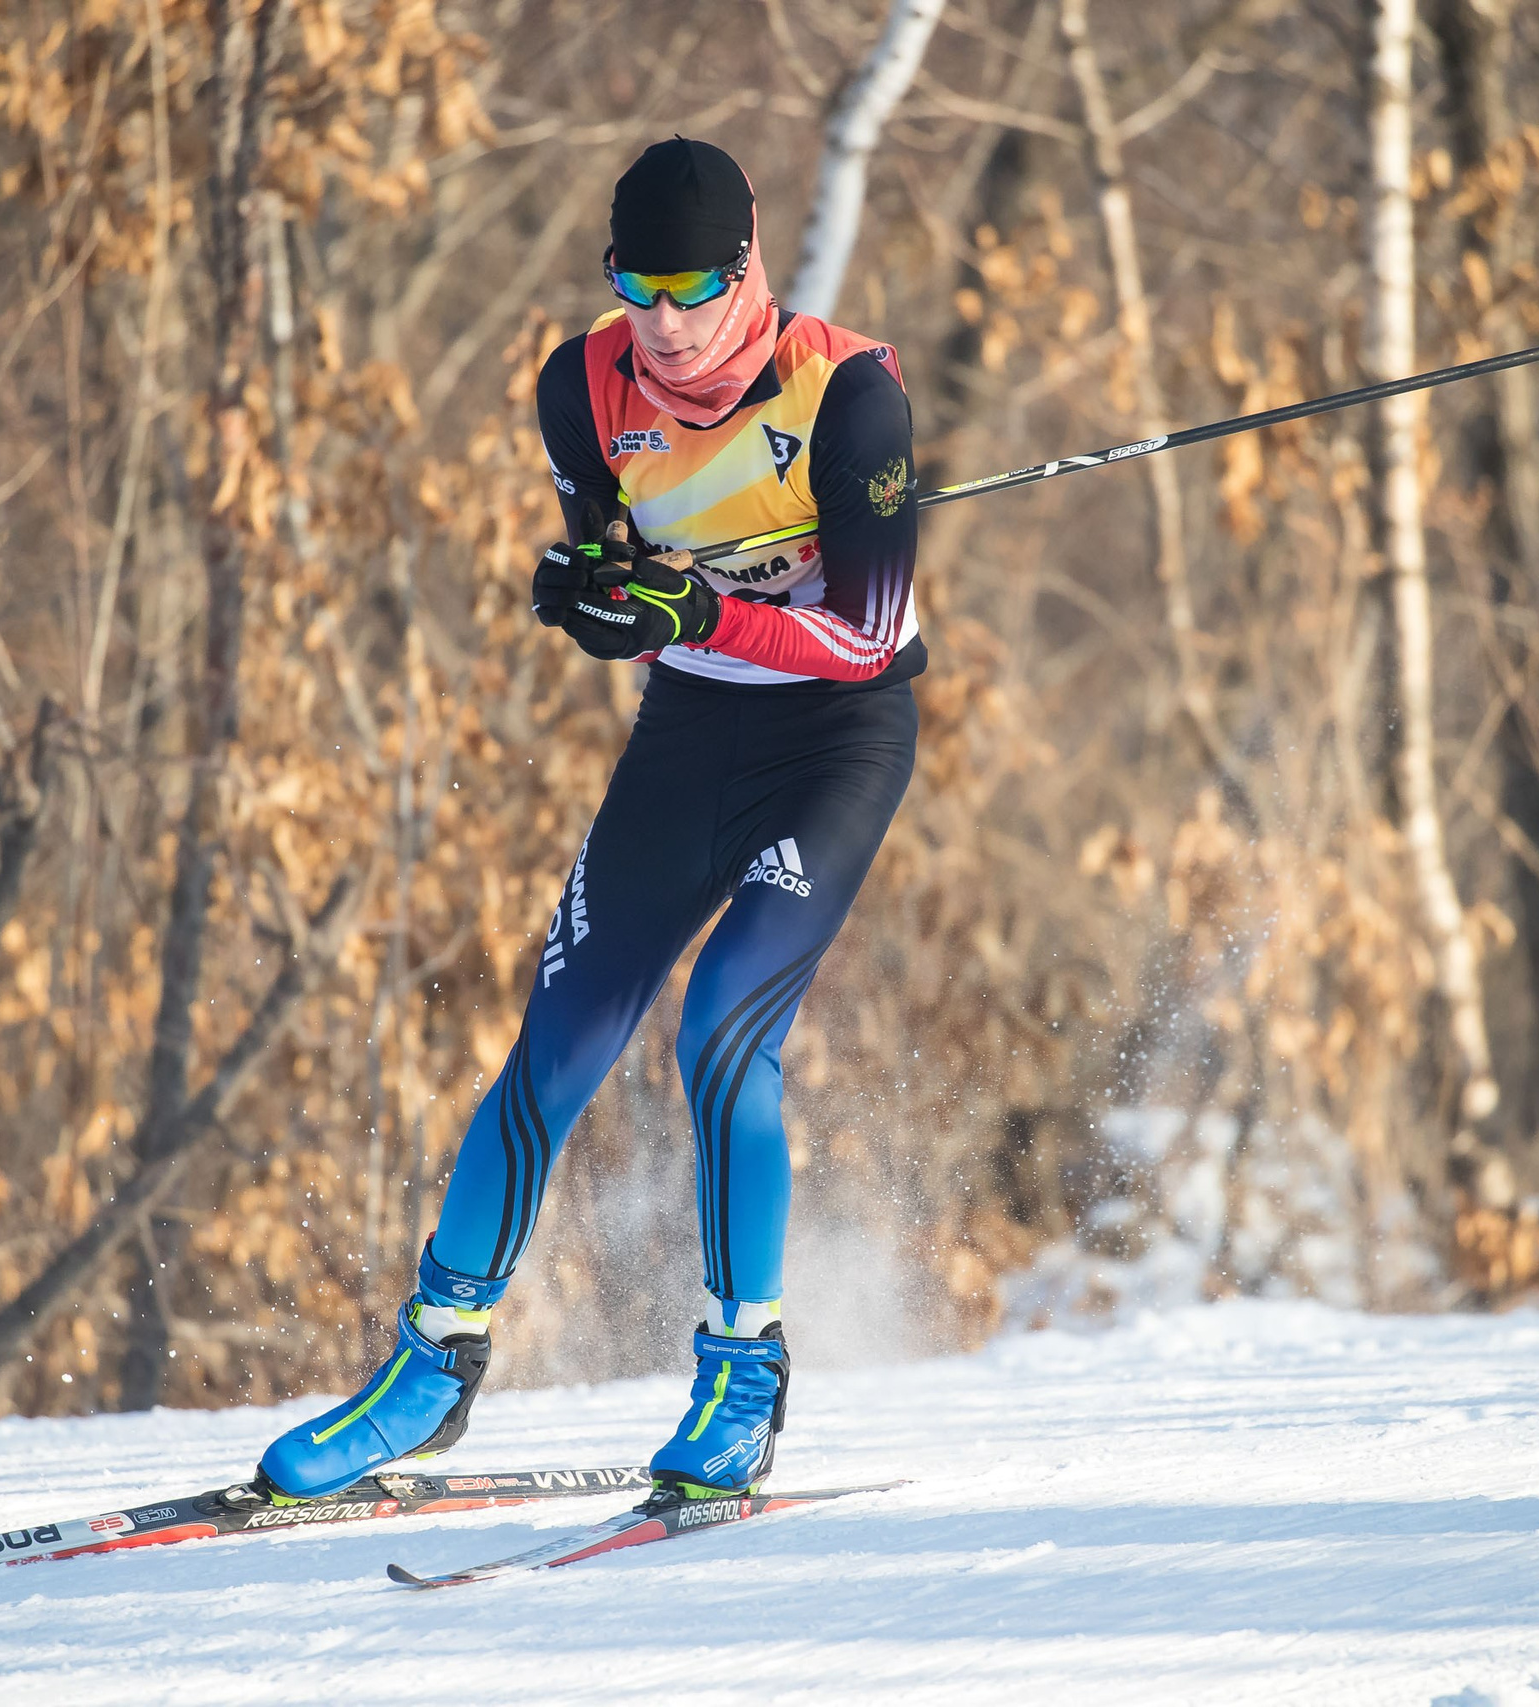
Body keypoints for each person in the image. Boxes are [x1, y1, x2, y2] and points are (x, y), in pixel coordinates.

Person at [253, 137, 924, 1504]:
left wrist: (701, 612)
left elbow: (872, 634)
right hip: (690, 738)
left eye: (689, 287)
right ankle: (429, 1369)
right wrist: (593, 597)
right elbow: (613, 567)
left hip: (832, 745)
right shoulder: (584, 380)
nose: (662, 323)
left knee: (724, 1031)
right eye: (635, 284)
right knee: (554, 1043)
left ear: (746, 268)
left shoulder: (848, 395)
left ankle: (743, 1377)